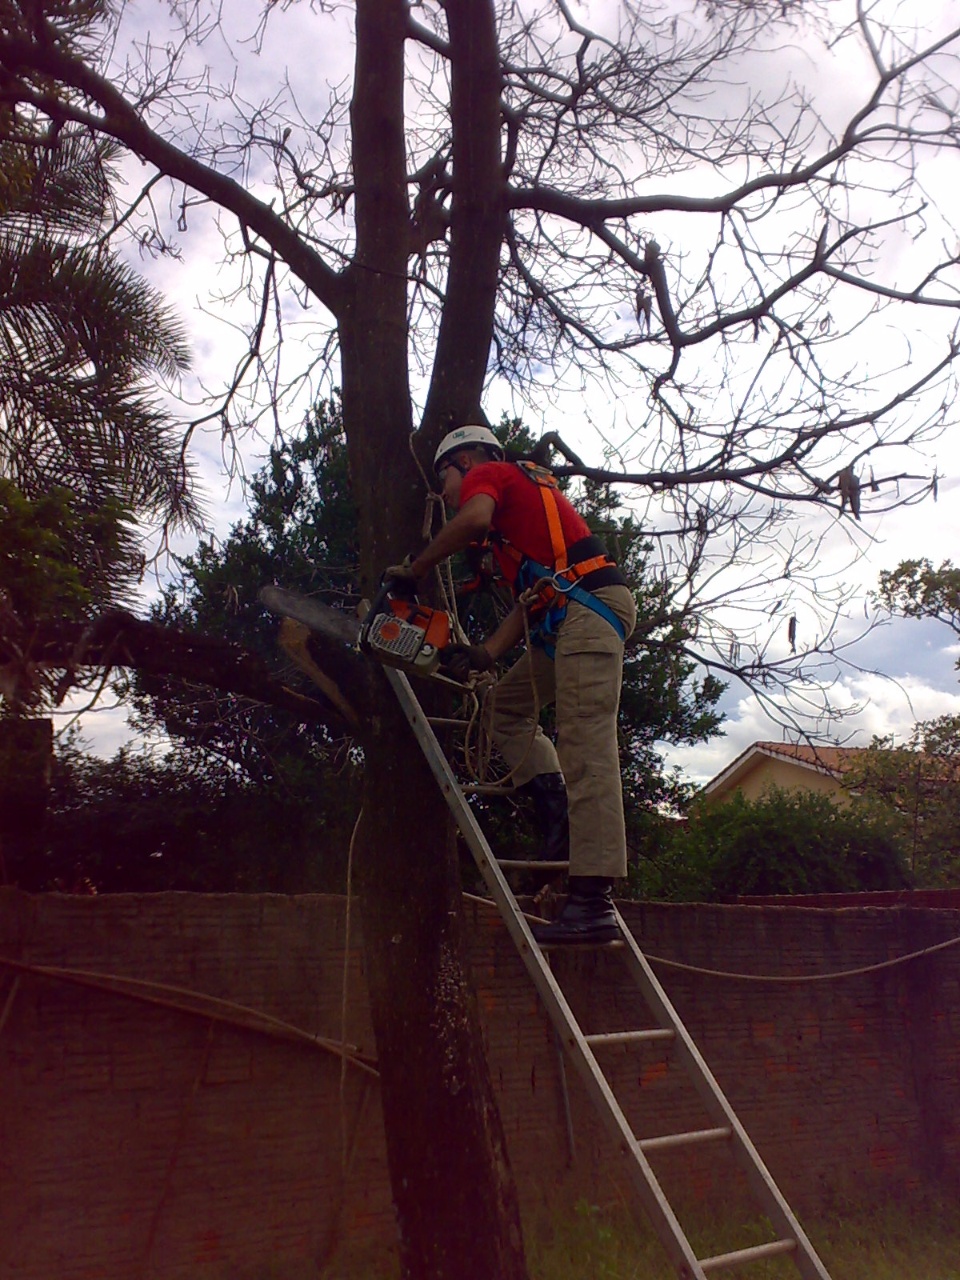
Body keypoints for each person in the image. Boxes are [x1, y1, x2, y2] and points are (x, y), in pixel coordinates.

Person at [387, 424, 637, 944]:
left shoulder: (491, 475)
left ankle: (593, 901)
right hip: (565, 620)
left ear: (468, 460)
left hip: (589, 613)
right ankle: (557, 816)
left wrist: (417, 569)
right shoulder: (512, 532)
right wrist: (483, 653)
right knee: (505, 708)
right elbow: (532, 604)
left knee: (585, 739)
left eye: (445, 480)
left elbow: (472, 514)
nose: (448, 494)